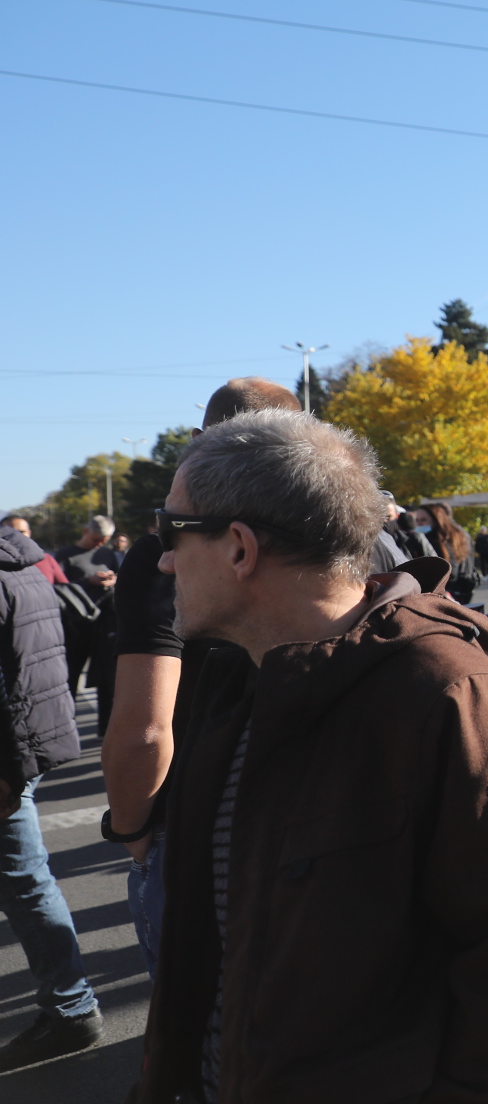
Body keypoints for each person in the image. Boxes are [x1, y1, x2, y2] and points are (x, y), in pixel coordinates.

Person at [136, 409, 488, 1101]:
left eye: (172, 530)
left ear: (239, 548)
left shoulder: (448, 695)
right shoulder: (236, 682)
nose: (164, 556)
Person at [101, 377, 303, 981]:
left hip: (202, 828)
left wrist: (135, 830)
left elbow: (144, 726)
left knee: (200, 1039)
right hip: (329, 820)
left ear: (197, 441)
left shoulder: (178, 547)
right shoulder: (354, 542)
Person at [0, 518, 103, 1072]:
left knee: (23, 879)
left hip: (8, 757)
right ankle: (69, 1004)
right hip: (21, 749)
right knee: (24, 878)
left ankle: (70, 1006)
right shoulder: (24, 563)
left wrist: (10, 768)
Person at [54, 514, 120, 721]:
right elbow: (58, 588)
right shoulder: (65, 555)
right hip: (75, 626)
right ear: (85, 531)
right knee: (70, 675)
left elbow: (121, 579)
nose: (99, 544)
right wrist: (88, 581)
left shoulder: (107, 555)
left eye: (104, 541)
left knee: (106, 677)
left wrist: (113, 580)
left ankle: (106, 726)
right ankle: (66, 721)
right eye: (96, 539)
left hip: (104, 624)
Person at [419, 501, 481, 603]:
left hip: (451, 591)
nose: (419, 524)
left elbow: (451, 570)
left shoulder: (442, 539)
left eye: (423, 520)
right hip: (461, 587)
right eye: (417, 520)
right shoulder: (460, 533)